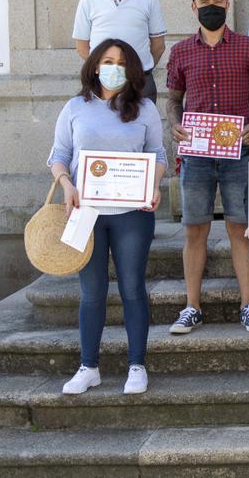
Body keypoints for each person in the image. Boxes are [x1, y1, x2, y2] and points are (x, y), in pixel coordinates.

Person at [48, 39, 167, 396]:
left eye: (121, 62)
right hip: (87, 213)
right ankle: (89, 366)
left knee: (132, 288)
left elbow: (157, 154)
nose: (114, 67)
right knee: (92, 291)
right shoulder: (75, 107)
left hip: (133, 212)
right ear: (95, 66)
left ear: (131, 71)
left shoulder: (144, 108)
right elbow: (58, 154)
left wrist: (156, 185)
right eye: (107, 60)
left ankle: (136, 365)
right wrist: (66, 184)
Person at [166, 0, 249, 335]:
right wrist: (175, 125)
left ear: (227, 4)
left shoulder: (248, 46)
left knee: (240, 228)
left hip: (238, 151)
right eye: (204, 0)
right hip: (196, 153)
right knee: (194, 229)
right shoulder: (181, 51)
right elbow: (173, 99)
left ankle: (248, 305)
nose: (211, 5)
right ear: (193, 6)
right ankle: (192, 306)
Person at [72, 0, 167, 103]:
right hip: (101, 84)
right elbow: (82, 47)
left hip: (140, 84)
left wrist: (138, 70)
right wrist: (106, 71)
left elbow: (158, 46)